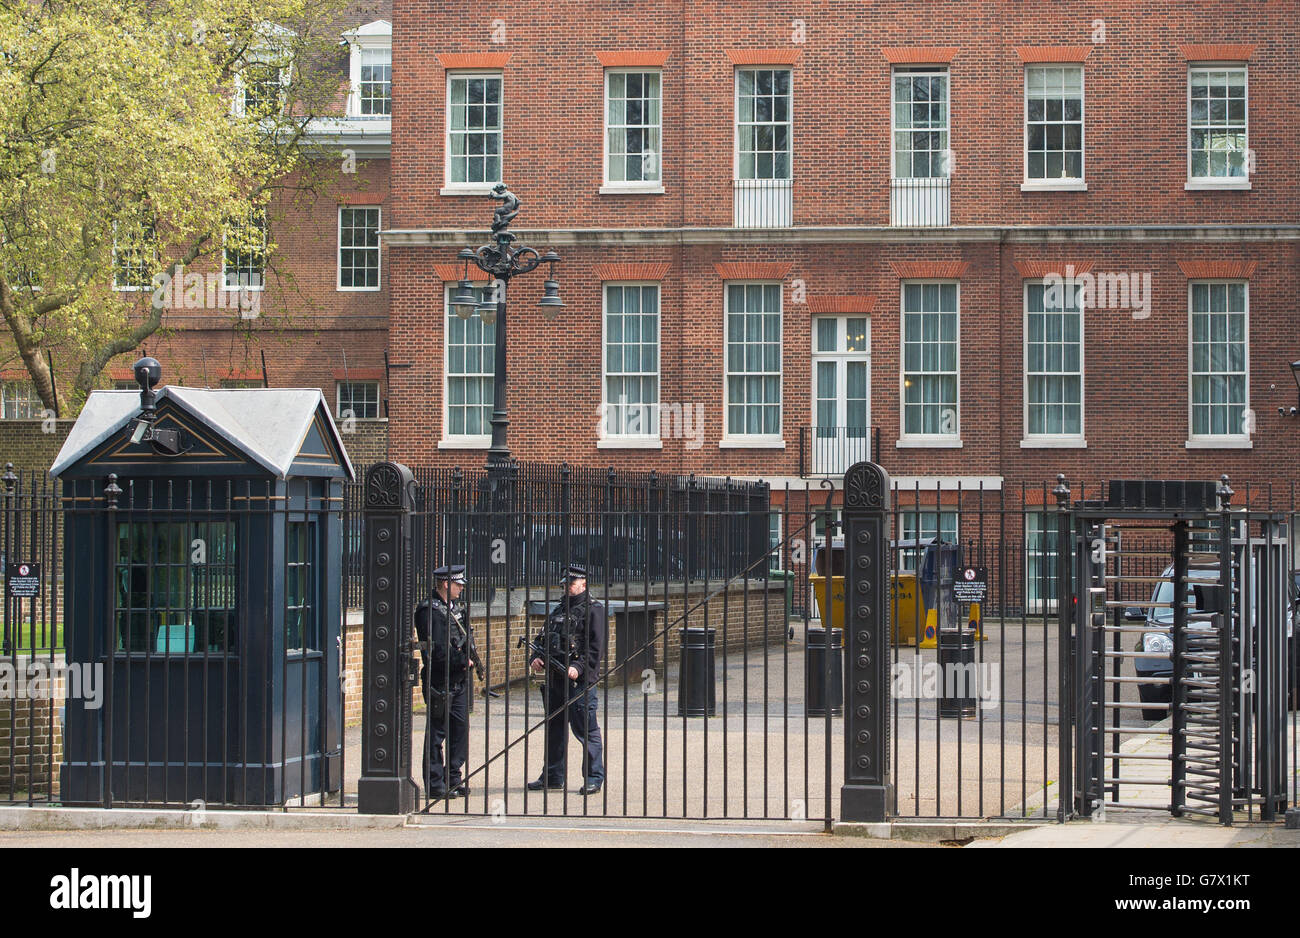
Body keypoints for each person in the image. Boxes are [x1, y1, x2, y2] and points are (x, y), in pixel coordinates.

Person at [527, 564, 606, 796]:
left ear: (583, 584)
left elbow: (595, 649)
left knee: (585, 730)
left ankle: (593, 777)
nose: (566, 588)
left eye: (570, 584)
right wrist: (536, 657)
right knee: (554, 728)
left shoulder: (594, 610)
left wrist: (578, 668)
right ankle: (553, 776)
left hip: (578, 682)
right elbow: (544, 638)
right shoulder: (560, 609)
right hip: (555, 679)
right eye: (564, 584)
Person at [414, 564, 476, 800]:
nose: (461, 588)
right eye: (458, 584)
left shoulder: (455, 609)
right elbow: (437, 651)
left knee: (460, 731)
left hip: (459, 679)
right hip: (440, 679)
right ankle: (435, 784)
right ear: (445, 584)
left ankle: (453, 778)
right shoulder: (429, 611)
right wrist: (462, 660)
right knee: (437, 733)